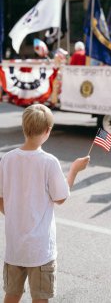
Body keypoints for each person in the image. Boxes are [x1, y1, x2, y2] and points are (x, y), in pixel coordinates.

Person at [0, 104, 90, 303]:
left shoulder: (7, 159)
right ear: (48, 131)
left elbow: (0, 199)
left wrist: (16, 214)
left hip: (15, 246)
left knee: (11, 295)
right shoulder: (49, 162)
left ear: (24, 127)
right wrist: (74, 170)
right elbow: (60, 197)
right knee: (40, 298)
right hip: (40, 249)